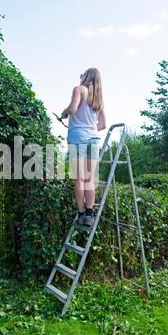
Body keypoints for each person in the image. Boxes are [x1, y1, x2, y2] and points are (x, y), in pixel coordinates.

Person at [61, 68, 106, 227]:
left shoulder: (79, 89)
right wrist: (89, 127)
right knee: (89, 179)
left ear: (87, 77)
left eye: (83, 75)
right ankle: (89, 215)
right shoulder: (98, 98)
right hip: (93, 139)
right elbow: (102, 125)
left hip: (77, 138)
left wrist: (64, 112)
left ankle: (80, 214)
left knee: (79, 178)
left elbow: (73, 109)